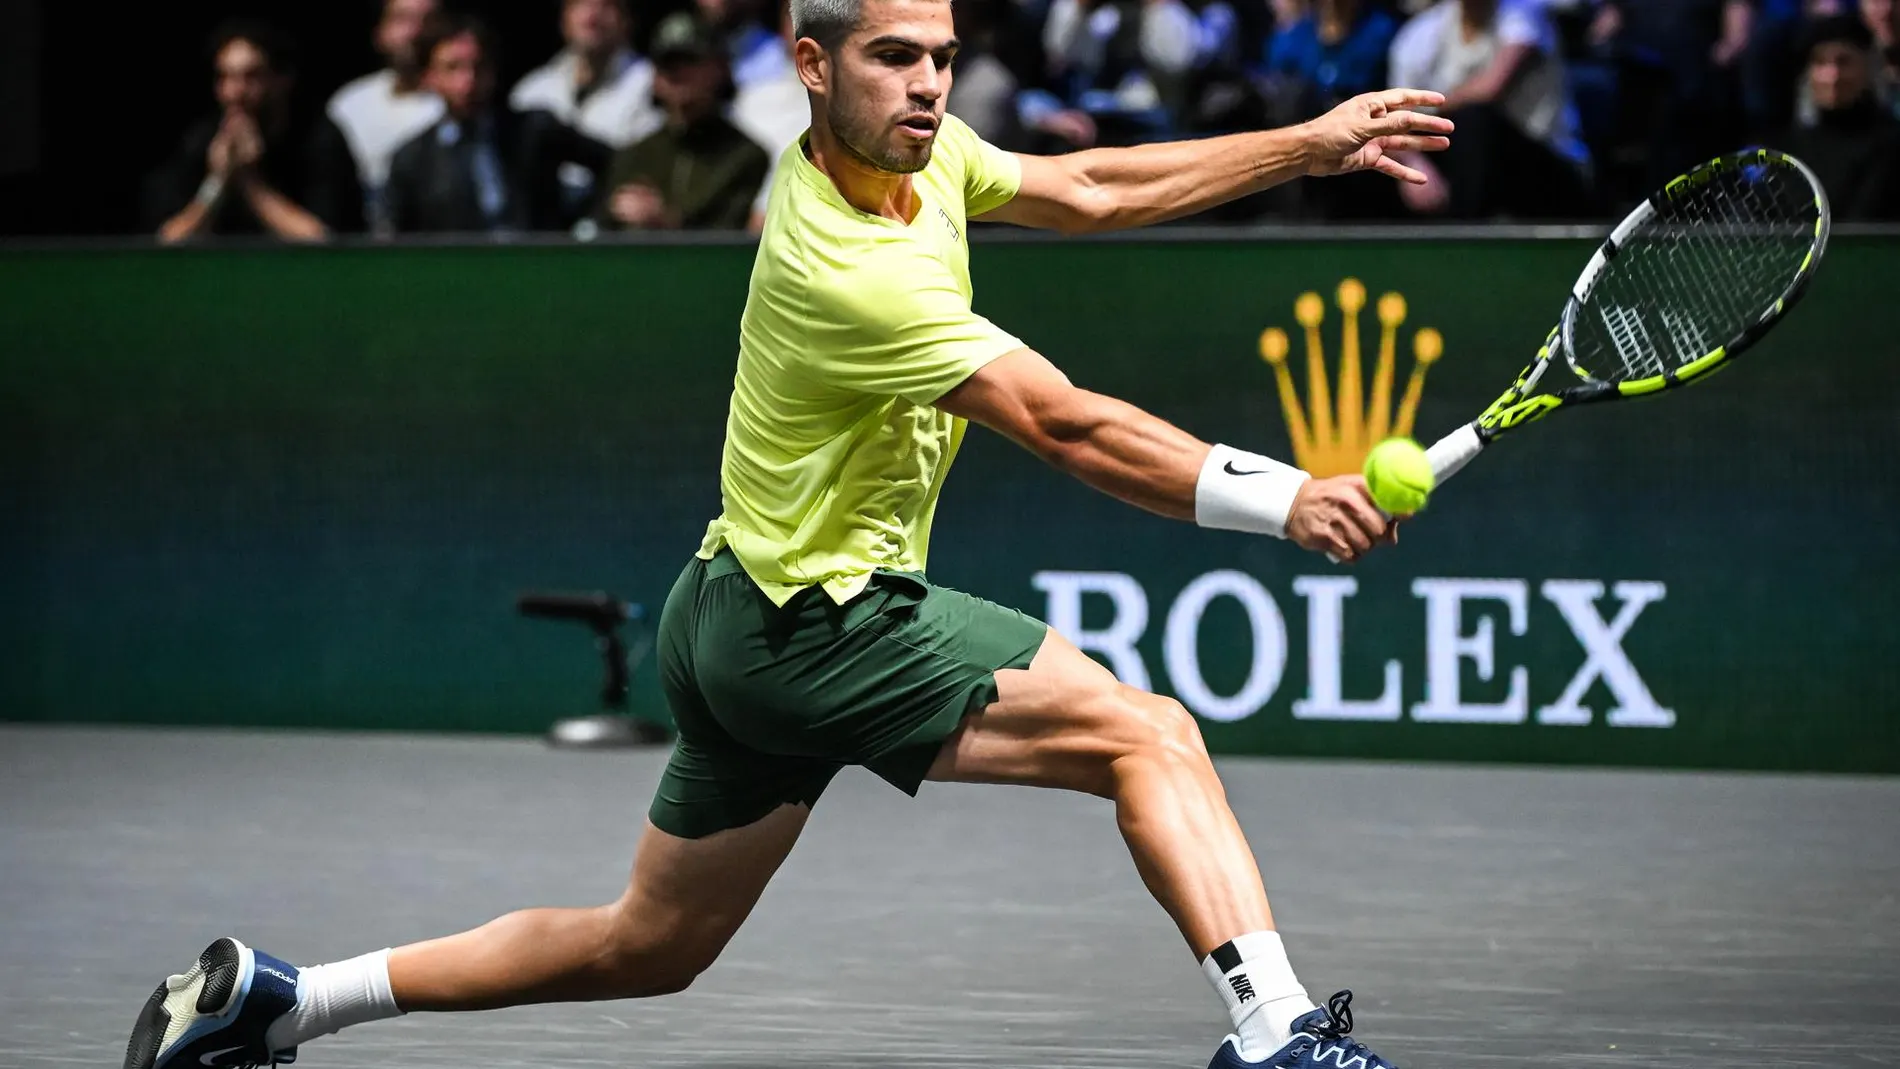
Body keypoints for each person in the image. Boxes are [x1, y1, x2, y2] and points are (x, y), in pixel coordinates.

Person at [120, 0, 1452, 1067]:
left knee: (645, 945)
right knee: (1147, 732)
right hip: (826, 621)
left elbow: (1092, 183)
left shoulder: (914, 163)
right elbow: (1068, 429)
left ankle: (289, 1005)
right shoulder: (843, 266)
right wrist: (1282, 495)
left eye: (942, 55)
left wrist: (1302, 143)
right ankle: (1276, 1034)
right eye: (893, 58)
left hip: (726, 611)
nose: (929, 84)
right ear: (812, 65)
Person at [148, 21, 363, 243]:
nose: (235, 93)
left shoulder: (320, 138)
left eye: (251, 77)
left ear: (283, 79)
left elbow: (321, 242)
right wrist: (218, 181)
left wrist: (249, 181)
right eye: (225, 77)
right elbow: (169, 242)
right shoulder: (202, 138)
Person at [385, 14, 598, 233]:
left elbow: (613, 164)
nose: (468, 80)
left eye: (478, 66)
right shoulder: (412, 160)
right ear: (430, 77)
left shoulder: (534, 130)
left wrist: (587, 225)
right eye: (453, 68)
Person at [1387, 0, 1593, 218]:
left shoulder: (1525, 14)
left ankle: (1464, 237)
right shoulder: (1420, 33)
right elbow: (1392, 118)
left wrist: (1418, 111)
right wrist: (1412, 163)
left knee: (1473, 121)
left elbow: (1488, 90)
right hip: (1455, 168)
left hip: (1550, 170)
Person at [592, 12, 771, 230]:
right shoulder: (633, 156)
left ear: (720, 69)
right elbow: (596, 230)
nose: (676, 73)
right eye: (666, 63)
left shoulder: (745, 157)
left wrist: (665, 220)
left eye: (690, 60)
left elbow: (730, 240)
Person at [511, 0, 667, 221]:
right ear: (563, 19)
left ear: (627, 20)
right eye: (580, 4)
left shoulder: (654, 85)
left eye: (606, 5)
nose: (592, 16)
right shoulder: (532, 92)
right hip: (542, 236)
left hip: (614, 230)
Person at [327, 0, 446, 231]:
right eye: (402, 19)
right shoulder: (348, 105)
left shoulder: (462, 106)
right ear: (379, 33)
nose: (415, 32)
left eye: (428, 20)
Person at [1772, 14, 1900, 219]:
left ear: (1867, 68)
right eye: (1820, 63)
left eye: (1844, 62)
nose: (1833, 77)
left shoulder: (1891, 146)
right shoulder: (1788, 150)